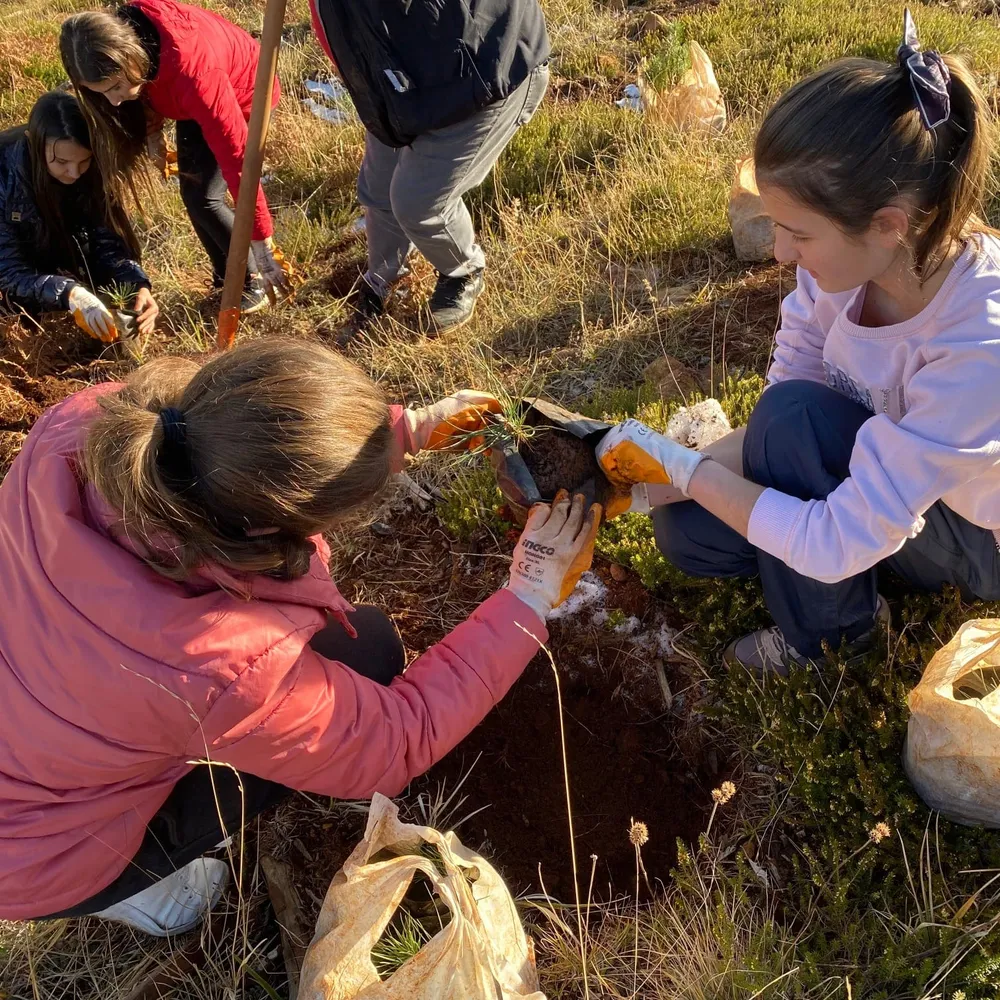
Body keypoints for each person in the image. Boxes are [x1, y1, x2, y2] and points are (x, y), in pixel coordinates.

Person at [0, 336, 600, 935]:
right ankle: (128, 887)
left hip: (39, 711)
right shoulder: (214, 664)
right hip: (28, 853)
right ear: (263, 525)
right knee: (365, 663)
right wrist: (529, 594)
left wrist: (402, 430)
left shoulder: (93, 423)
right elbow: (398, 739)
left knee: (362, 646)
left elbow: (245, 436)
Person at [596, 12, 1000, 676]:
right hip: (887, 485)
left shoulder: (979, 339)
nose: (781, 253)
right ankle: (839, 572)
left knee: (790, 436)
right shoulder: (839, 274)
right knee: (686, 530)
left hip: (976, 534)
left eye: (799, 234)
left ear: (886, 225)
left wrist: (691, 471)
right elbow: (772, 425)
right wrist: (635, 485)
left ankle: (837, 640)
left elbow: (823, 506)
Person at [309, 0, 550, 334]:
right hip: (399, 74)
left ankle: (463, 270)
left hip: (482, 69)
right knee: (378, 191)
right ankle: (385, 279)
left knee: (418, 201)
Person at [60, 0, 293, 314]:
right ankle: (228, 276)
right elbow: (146, 88)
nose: (113, 102)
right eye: (99, 92)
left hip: (244, 93)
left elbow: (238, 159)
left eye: (115, 87)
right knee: (193, 193)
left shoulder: (194, 74)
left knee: (206, 198)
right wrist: (153, 130)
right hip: (186, 97)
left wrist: (262, 241)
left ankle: (249, 279)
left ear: (130, 57)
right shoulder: (128, 37)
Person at [0, 91, 156, 341]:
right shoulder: (5, 174)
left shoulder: (94, 170)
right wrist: (68, 293)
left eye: (84, 161)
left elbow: (105, 240)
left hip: (57, 249)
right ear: (34, 143)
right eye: (62, 161)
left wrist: (137, 285)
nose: (74, 173)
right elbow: (7, 271)